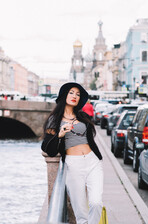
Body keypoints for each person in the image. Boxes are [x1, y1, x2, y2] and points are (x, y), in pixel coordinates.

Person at [41, 82, 103, 224]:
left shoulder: (82, 116)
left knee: (96, 203)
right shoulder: (54, 120)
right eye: (71, 93)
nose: (75, 96)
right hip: (73, 165)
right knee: (81, 213)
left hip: (92, 161)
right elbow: (48, 149)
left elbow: (90, 138)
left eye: (78, 94)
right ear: (64, 95)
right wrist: (60, 134)